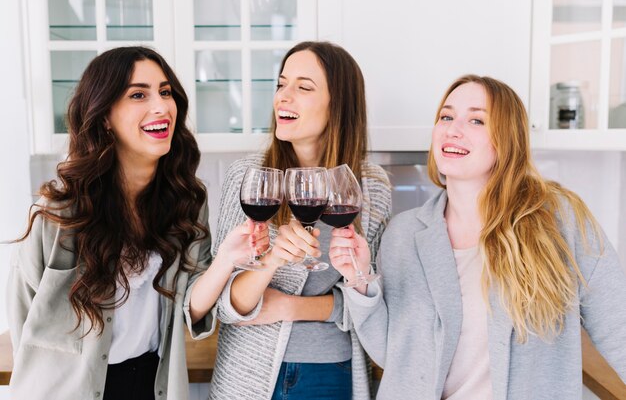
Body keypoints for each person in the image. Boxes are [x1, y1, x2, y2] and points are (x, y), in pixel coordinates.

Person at [329, 75, 626, 399]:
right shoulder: (404, 233)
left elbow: (618, 326)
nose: (453, 129)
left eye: (476, 119)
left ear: (506, 140)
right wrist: (359, 278)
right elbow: (392, 355)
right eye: (446, 116)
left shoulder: (558, 220)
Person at [6, 46, 268, 400]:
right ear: (103, 116)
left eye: (165, 92)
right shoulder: (61, 213)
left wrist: (225, 260)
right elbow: (24, 319)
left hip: (149, 383)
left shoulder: (187, 201)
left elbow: (190, 304)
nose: (161, 106)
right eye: (138, 94)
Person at [207, 41, 392, 400]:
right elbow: (222, 302)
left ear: (338, 104)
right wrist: (270, 264)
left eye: (303, 87)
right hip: (247, 374)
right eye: (281, 84)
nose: (283, 97)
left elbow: (376, 306)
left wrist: (291, 306)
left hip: (328, 372)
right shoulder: (249, 177)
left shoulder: (369, 187)